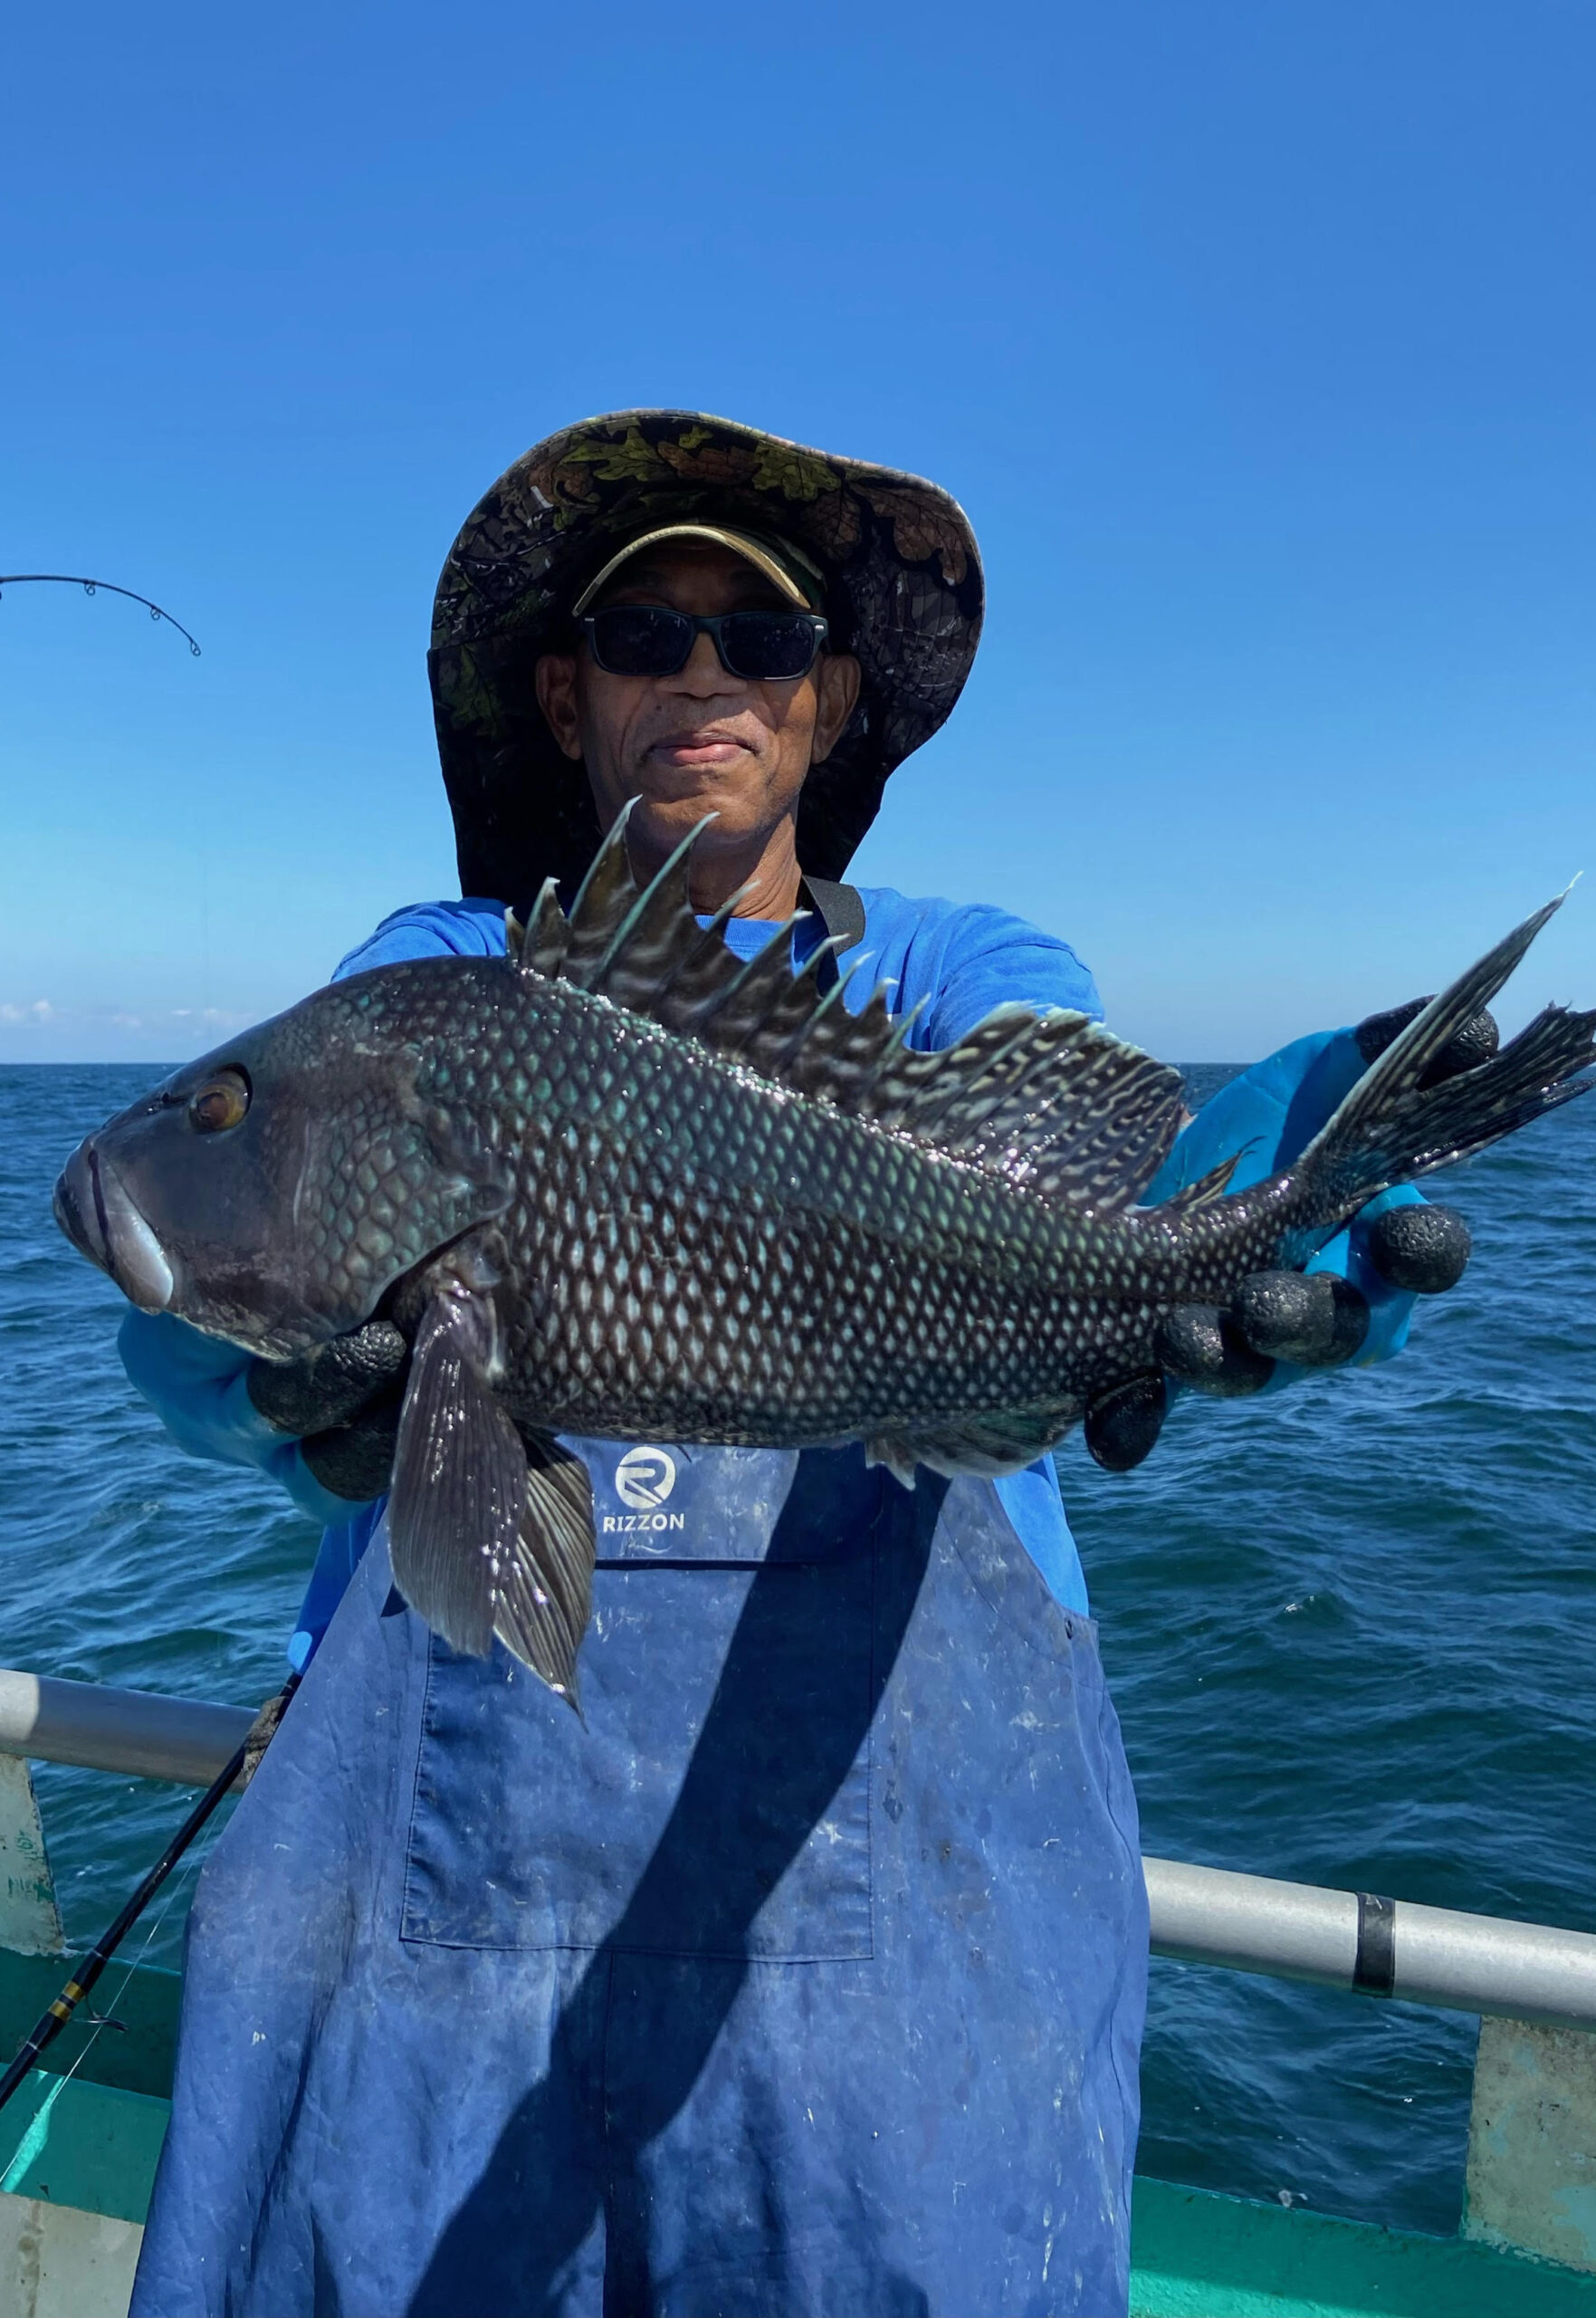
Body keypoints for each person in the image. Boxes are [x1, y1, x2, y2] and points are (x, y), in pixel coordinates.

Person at [119, 410, 1473, 2318]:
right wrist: (266, 1384)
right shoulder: (436, 978)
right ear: (566, 691)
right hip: (444, 1971)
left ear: (827, 703)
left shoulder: (949, 965)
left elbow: (1138, 1169)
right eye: (648, 636)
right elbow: (177, 1306)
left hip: (907, 1997)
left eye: (757, 644)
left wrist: (1316, 1195)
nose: (703, 679)